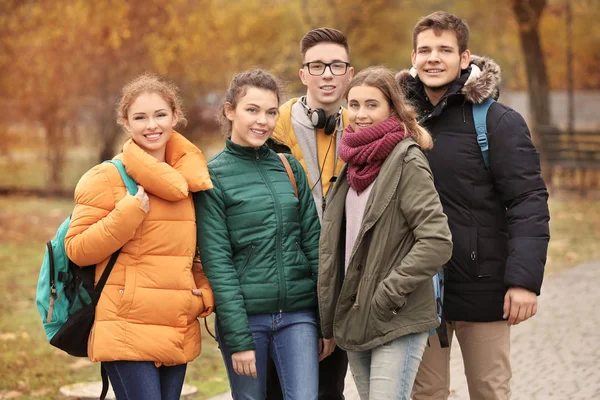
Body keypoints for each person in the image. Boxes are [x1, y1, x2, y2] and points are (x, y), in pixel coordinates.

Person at [396, 11, 551, 400]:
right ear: (413, 58)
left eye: (444, 50)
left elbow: (527, 200)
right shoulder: (398, 122)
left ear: (465, 59)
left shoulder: (497, 122)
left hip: (484, 286)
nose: (434, 58)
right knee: (425, 394)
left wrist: (523, 282)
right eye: (425, 50)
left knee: (489, 391)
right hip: (417, 290)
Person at [64, 74, 215, 399]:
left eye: (160, 114)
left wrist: (202, 297)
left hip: (176, 325)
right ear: (126, 123)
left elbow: (196, 255)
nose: (152, 125)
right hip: (125, 326)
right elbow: (77, 249)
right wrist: (128, 213)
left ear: (175, 116)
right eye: (140, 117)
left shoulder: (191, 183)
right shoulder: (105, 178)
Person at [317, 66, 453, 400]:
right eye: (355, 104)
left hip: (395, 311)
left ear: (392, 108)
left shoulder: (406, 159)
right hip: (356, 314)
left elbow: (437, 241)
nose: (361, 114)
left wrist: (387, 293)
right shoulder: (352, 164)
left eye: (371, 105)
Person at [194, 69, 321, 399]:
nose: (262, 121)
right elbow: (218, 264)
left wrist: (326, 321)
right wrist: (238, 340)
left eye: (270, 111)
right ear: (230, 110)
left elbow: (314, 245)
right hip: (246, 320)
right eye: (252, 110)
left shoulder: (288, 167)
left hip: (299, 316)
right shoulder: (212, 177)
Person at [267, 26, 354, 400]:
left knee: (329, 389)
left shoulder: (361, 125)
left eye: (337, 65)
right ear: (303, 75)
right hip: (288, 279)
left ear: (350, 73)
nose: (328, 75)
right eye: (317, 66)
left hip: (341, 281)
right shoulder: (273, 126)